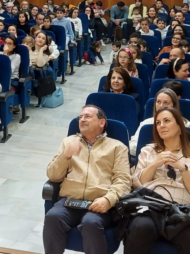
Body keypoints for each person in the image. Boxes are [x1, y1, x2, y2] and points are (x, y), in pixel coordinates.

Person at [43, 105, 131, 254]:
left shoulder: (117, 147)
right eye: (80, 117)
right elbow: (53, 175)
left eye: (87, 116)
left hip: (99, 203)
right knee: (53, 217)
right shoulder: (68, 142)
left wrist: (108, 200)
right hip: (69, 201)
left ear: (102, 122)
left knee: (91, 223)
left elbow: (123, 181)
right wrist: (66, 155)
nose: (82, 120)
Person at [126, 107, 190, 254]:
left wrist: (183, 169)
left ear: (179, 126)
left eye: (166, 121)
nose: (161, 125)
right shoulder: (148, 151)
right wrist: (155, 163)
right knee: (140, 226)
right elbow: (137, 184)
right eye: (158, 123)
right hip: (151, 207)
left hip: (182, 210)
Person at [129, 88, 190, 156]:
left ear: (174, 105)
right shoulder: (146, 123)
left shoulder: (186, 124)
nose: (161, 106)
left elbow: (187, 149)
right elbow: (132, 148)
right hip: (148, 159)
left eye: (166, 102)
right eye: (158, 102)